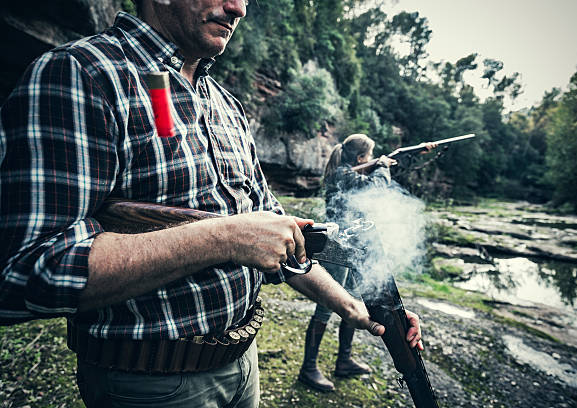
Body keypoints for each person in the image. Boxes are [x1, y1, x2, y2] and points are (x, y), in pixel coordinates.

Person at [0, 2, 423, 407]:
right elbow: (23, 271)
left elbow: (279, 231)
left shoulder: (226, 104)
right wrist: (222, 238)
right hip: (149, 383)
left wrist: (353, 306)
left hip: (242, 364)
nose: (239, 9)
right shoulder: (80, 74)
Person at [298, 134, 433, 392]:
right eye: (369, 157)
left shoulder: (351, 172)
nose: (371, 161)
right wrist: (382, 166)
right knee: (326, 308)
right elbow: (376, 187)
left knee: (353, 302)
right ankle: (308, 368)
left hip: (354, 248)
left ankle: (344, 361)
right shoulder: (343, 175)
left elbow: (382, 176)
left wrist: (408, 157)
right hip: (337, 249)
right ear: (361, 158)